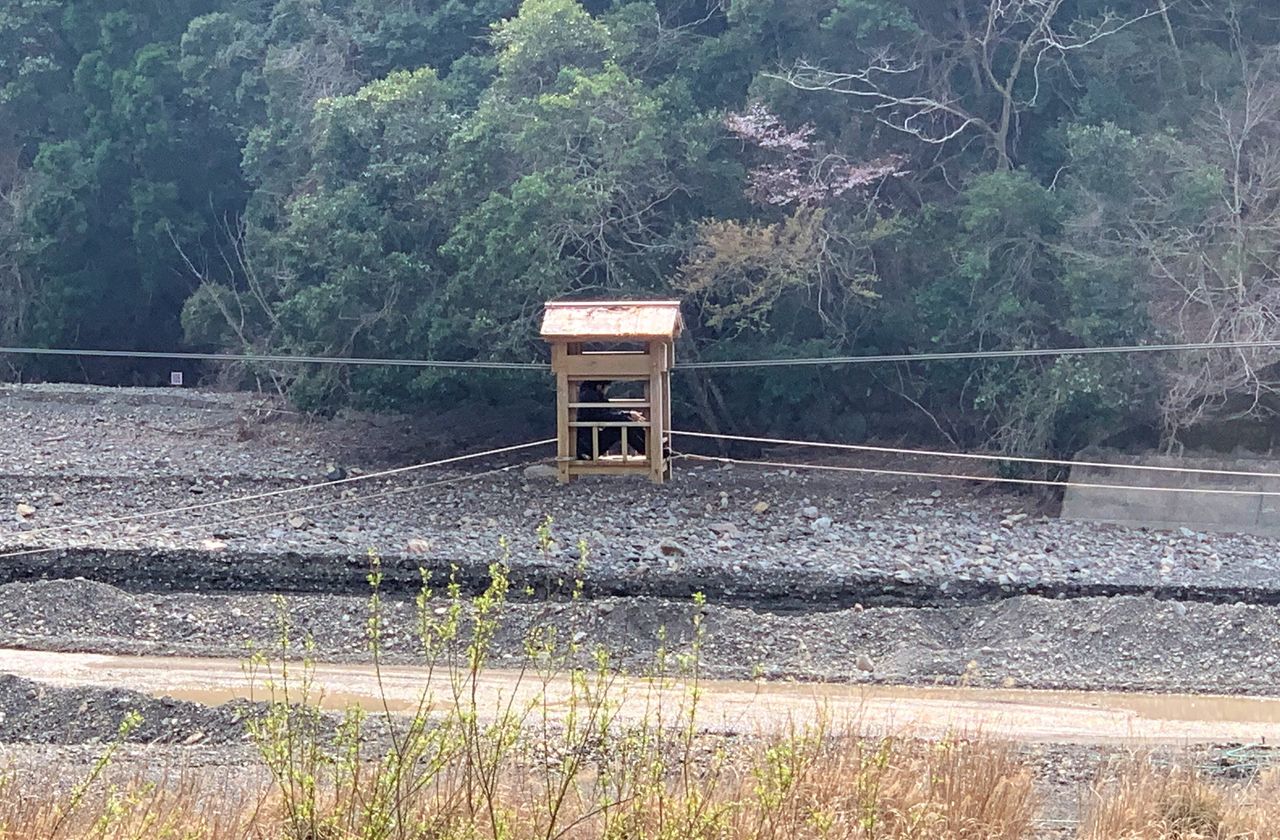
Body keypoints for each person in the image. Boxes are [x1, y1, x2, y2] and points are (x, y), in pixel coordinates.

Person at [575, 381, 646, 459]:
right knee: (621, 425)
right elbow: (602, 416)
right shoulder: (589, 396)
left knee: (624, 423)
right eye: (607, 387)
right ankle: (648, 448)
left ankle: (648, 447)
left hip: (589, 443)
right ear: (600, 386)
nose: (607, 390)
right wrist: (627, 415)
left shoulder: (590, 394)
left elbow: (607, 414)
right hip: (589, 446)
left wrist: (626, 415)